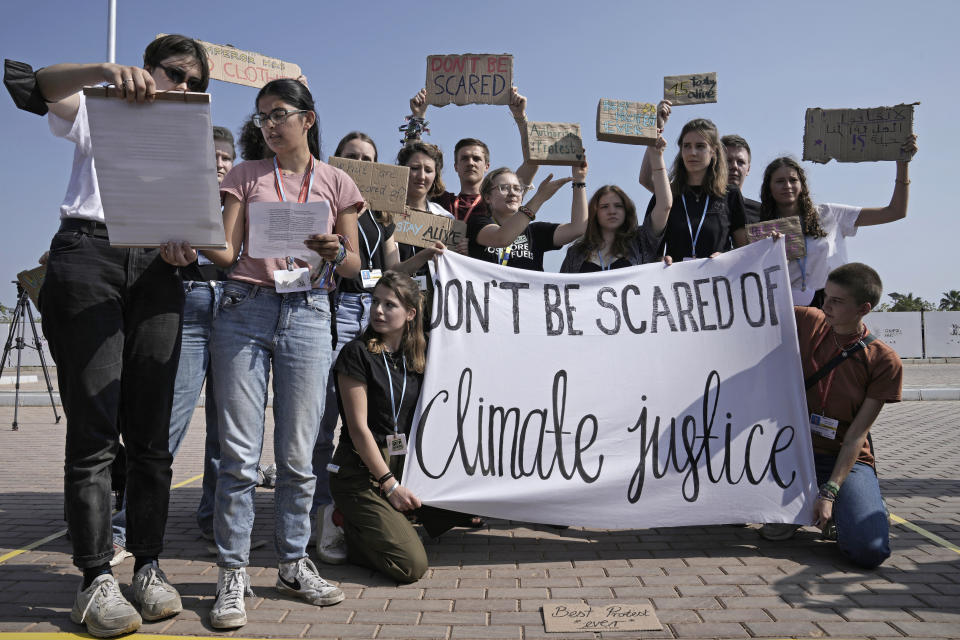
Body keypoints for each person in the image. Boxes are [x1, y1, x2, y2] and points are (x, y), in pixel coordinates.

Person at [19, 33, 209, 638]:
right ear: (146, 70)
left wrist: (184, 250)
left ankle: (148, 566)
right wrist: (103, 70)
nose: (183, 88)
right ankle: (96, 576)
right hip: (89, 253)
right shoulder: (101, 106)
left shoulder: (190, 136)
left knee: (152, 434)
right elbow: (39, 84)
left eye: (195, 83)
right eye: (175, 74)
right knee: (96, 424)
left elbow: (196, 221)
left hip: (159, 268)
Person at [198, 78, 361, 629]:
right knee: (239, 456)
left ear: (307, 120)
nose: (269, 124)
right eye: (263, 115)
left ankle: (293, 561)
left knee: (297, 454)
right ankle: (232, 572)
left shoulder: (337, 180)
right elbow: (224, 250)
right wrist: (190, 228)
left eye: (280, 114)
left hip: (310, 313)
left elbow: (354, 266)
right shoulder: (245, 175)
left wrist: (335, 250)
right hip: (244, 308)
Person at [312, 134, 445, 564]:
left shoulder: (383, 218)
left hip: (371, 307)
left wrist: (425, 254)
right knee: (324, 420)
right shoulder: (327, 202)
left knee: (373, 409)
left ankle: (360, 508)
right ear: (337, 161)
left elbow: (392, 273)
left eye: (367, 159)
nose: (359, 164)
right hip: (334, 307)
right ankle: (323, 514)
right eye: (350, 158)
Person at [111, 125, 236, 560]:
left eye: (226, 157)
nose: (220, 164)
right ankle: (126, 525)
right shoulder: (173, 198)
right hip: (187, 302)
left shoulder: (244, 201)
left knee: (228, 432)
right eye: (213, 156)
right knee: (169, 420)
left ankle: (215, 523)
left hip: (235, 308)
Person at [759, 262, 900, 570]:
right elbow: (753, 299)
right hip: (790, 453)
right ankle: (806, 509)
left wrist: (832, 491)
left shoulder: (884, 361)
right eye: (826, 296)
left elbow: (856, 437)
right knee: (762, 529)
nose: (825, 305)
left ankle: (841, 506)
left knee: (869, 550)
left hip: (842, 459)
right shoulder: (809, 320)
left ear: (863, 308)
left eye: (837, 301)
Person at [327, 271, 433, 583]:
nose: (378, 311)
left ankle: (388, 523)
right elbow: (358, 429)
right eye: (375, 302)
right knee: (411, 565)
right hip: (362, 472)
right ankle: (346, 525)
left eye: (390, 305)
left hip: (401, 463)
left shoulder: (416, 357)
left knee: (460, 505)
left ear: (411, 314)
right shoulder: (356, 353)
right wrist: (390, 486)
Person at [758, 139, 917, 306]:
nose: (787, 186)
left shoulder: (830, 213)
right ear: (769, 187)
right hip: (786, 305)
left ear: (802, 184)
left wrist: (903, 164)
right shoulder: (763, 228)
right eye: (779, 181)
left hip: (832, 304)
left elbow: (895, 211)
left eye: (793, 180)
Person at [407, 87, 537, 223]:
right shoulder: (442, 201)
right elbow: (411, 161)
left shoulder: (499, 198)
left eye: (476, 158)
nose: (470, 162)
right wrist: (417, 117)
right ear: (456, 166)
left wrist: (520, 117)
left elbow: (532, 162)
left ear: (487, 166)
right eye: (464, 158)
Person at [638, 116, 747, 261]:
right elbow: (649, 249)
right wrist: (662, 262)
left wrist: (727, 257)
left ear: (713, 151)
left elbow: (745, 250)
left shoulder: (730, 194)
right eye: (687, 146)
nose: (692, 152)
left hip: (719, 280)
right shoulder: (666, 195)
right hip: (675, 280)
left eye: (700, 146)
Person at [560, 138, 671, 272]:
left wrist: (657, 156)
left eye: (618, 206)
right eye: (604, 207)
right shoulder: (576, 252)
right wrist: (579, 179)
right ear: (595, 212)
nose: (612, 211)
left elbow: (665, 205)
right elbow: (562, 289)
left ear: (627, 210)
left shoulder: (641, 241)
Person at [467, 166, 586, 271]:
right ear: (487, 197)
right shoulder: (478, 223)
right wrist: (540, 197)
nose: (512, 193)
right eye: (504, 188)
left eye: (517, 188)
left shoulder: (535, 232)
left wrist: (579, 181)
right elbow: (501, 238)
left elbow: (577, 228)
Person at [721, 134, 761, 224]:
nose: (734, 166)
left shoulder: (761, 213)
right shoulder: (704, 209)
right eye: (728, 161)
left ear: (748, 169)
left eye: (740, 162)